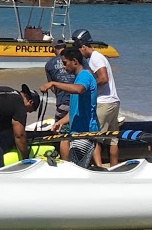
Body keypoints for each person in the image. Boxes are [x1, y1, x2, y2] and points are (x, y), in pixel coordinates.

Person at [40, 47, 98, 166]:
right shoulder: (78, 78)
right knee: (76, 167)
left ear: (75, 61)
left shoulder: (84, 76)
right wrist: (60, 122)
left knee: (76, 168)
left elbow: (79, 89)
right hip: (76, 132)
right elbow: (74, 111)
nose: (63, 67)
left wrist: (53, 83)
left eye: (65, 63)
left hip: (85, 133)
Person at [73, 29, 121, 166]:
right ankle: (114, 167)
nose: (78, 53)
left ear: (84, 46)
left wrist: (88, 88)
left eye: (78, 49)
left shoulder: (95, 58)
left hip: (103, 103)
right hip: (113, 101)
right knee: (112, 139)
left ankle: (98, 167)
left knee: (95, 137)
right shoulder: (97, 57)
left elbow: (103, 78)